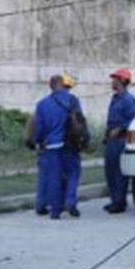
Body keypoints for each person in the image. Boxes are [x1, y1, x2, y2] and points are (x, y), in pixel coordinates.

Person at [32, 75, 71, 219]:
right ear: (62, 84)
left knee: (46, 175)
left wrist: (39, 142)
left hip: (50, 144)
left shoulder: (42, 104)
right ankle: (61, 205)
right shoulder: (71, 101)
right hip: (68, 145)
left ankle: (43, 205)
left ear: (51, 86)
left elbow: (39, 127)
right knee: (65, 176)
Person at [104, 68, 135, 214]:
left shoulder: (128, 100)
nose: (113, 81)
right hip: (111, 139)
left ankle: (120, 202)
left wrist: (120, 129)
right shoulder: (115, 98)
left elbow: (133, 119)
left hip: (121, 139)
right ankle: (114, 200)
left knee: (119, 172)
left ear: (122, 81)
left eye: (115, 79)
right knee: (110, 171)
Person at [58, 74, 84, 217]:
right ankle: (70, 203)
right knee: (73, 174)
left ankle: (59, 203)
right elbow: (80, 121)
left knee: (59, 175)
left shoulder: (49, 101)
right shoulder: (73, 101)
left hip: (55, 144)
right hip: (71, 143)